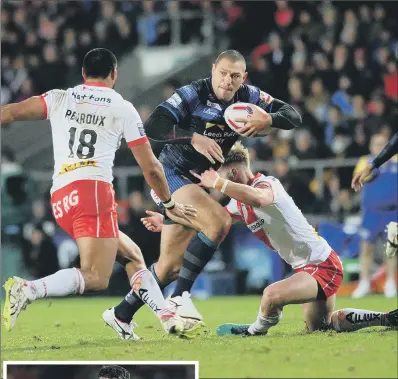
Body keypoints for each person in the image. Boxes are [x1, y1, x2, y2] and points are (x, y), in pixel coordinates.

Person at [104, 49, 302, 339]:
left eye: (235, 75)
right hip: (173, 173)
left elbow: (292, 115)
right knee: (218, 222)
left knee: (169, 268)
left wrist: (268, 121)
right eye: (223, 73)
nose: (228, 80)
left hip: (196, 183)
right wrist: (193, 136)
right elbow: (154, 125)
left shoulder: (249, 96)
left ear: (243, 77)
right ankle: (181, 296)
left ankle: (121, 314)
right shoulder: (193, 94)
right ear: (213, 70)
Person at [1, 48, 197, 337]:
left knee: (132, 256)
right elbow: (152, 168)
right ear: (114, 74)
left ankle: (160, 317)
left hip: (60, 198)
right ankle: (28, 289)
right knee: (95, 277)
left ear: (83, 73)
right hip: (92, 191)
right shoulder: (122, 108)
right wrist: (168, 202)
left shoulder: (59, 97)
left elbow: (9, 113)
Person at [141, 142, 398, 335]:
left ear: (231, 172)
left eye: (217, 174)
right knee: (321, 328)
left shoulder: (268, 184)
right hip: (306, 268)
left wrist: (217, 183)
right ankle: (388, 318)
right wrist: (166, 220)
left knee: (270, 296)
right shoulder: (237, 204)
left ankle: (252, 332)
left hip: (322, 265)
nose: (210, 183)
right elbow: (209, 222)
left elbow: (260, 200)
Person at [350, 133, 397, 298]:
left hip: (393, 212)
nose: (378, 147)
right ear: (370, 146)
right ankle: (364, 283)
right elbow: (360, 177)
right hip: (371, 212)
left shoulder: (396, 159)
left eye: (382, 144)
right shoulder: (365, 161)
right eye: (376, 144)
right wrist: (374, 168)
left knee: (391, 249)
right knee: (366, 248)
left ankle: (391, 283)